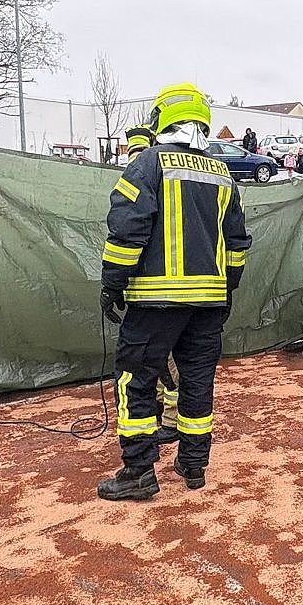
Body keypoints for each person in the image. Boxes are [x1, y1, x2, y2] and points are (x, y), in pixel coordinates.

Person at [98, 83, 251, 500]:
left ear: (162, 118)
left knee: (135, 381)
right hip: (209, 302)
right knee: (197, 381)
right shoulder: (222, 173)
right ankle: (194, 464)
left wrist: (112, 283)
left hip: (154, 302)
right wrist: (227, 289)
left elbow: (127, 230)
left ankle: (138, 472)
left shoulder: (148, 163)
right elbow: (237, 242)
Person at [123, 123, 179, 443]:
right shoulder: (157, 169)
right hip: (160, 286)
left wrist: (114, 282)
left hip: (159, 289)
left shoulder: (145, 171)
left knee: (165, 363)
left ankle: (171, 419)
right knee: (159, 363)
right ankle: (164, 411)